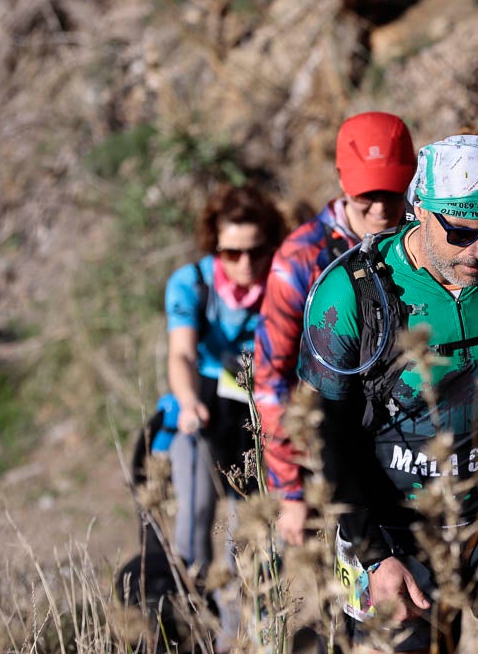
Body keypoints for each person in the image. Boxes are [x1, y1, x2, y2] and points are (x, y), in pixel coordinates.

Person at [298, 134, 478, 653]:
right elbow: (325, 438)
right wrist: (370, 554)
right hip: (391, 524)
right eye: (459, 233)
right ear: (418, 212)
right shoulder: (349, 293)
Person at [253, 111, 417, 546]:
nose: (382, 208)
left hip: (417, 455)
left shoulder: (424, 242)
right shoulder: (302, 259)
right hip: (331, 456)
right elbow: (271, 380)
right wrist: (289, 488)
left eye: (393, 191)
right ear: (344, 182)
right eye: (368, 194)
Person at [164, 183, 285, 647]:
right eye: (231, 253)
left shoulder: (283, 279)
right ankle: (188, 628)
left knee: (250, 538)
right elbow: (182, 354)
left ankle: (243, 638)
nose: (245, 265)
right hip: (205, 405)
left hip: (262, 414)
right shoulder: (191, 283)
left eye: (255, 251)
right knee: (193, 523)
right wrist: (188, 401)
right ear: (215, 245)